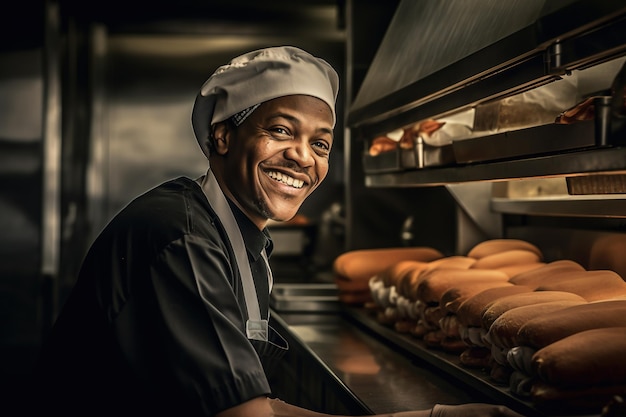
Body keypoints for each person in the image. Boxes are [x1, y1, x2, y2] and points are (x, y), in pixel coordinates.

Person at [26, 46, 526, 417]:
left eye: (321, 144)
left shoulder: (238, 238)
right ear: (223, 135)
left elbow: (253, 405)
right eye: (281, 130)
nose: (303, 157)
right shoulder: (183, 238)